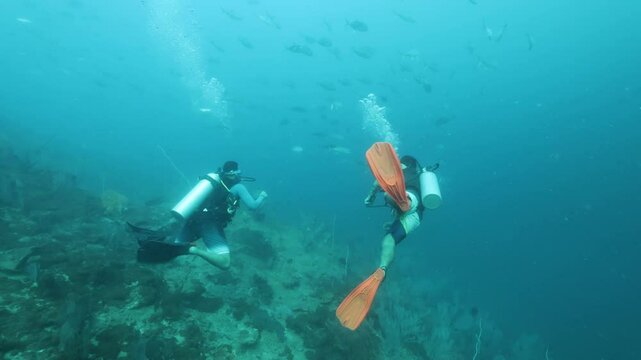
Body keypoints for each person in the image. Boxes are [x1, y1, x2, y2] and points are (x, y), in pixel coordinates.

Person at [154, 160, 268, 269]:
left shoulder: (214, 182)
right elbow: (253, 206)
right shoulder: (238, 187)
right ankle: (193, 250)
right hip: (210, 223)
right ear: (235, 172)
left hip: (194, 218)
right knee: (225, 263)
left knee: (174, 246)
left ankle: (156, 241)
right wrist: (262, 196)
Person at [363, 155, 433, 271]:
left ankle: (399, 198)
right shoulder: (420, 177)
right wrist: (392, 222)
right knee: (390, 239)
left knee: (392, 197)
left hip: (409, 198)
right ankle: (382, 268)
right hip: (416, 215)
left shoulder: (403, 170)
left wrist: (370, 196)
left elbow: (377, 182)